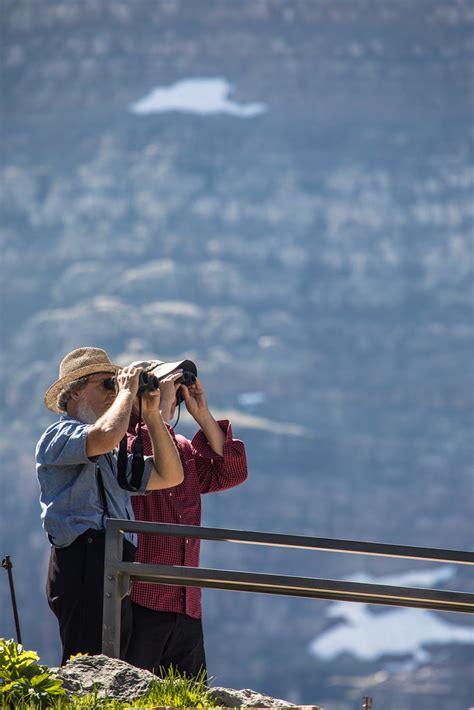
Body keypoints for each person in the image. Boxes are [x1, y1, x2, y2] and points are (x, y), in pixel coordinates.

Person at [36, 347, 184, 665]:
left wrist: (152, 418)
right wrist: (128, 392)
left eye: (115, 385)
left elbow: (170, 475)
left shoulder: (110, 455)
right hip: (83, 556)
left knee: (113, 661)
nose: (113, 393)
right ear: (74, 391)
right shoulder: (58, 436)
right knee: (87, 663)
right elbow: (104, 436)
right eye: (106, 384)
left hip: (115, 562)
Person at [125, 359, 248, 679]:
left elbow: (231, 472)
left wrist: (202, 413)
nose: (173, 393)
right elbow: (149, 454)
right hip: (143, 598)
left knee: (188, 694)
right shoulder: (125, 442)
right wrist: (160, 408)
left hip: (186, 600)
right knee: (132, 690)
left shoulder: (182, 448)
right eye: (165, 385)